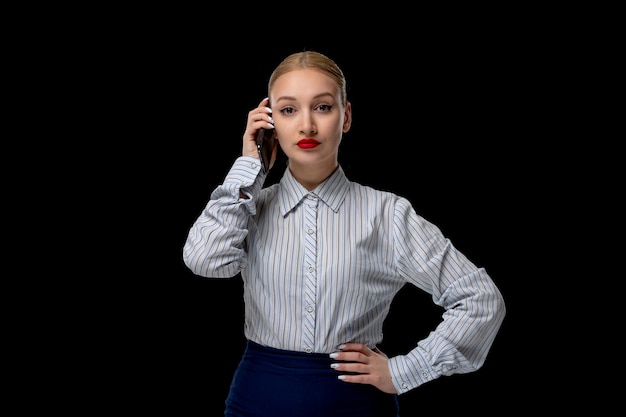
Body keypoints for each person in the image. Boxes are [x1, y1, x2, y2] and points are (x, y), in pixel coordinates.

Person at [182, 50, 506, 417]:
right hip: (256, 400)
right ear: (269, 122)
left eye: (322, 107)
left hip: (358, 406)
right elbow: (205, 259)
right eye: (288, 110)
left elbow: (479, 299)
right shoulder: (249, 208)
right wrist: (248, 168)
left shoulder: (386, 215)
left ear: (346, 116)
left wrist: (404, 371)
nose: (306, 126)